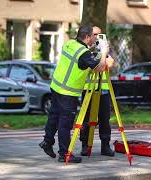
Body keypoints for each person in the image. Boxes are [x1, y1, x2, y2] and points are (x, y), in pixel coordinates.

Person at [39, 24, 111, 163]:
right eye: (93, 36)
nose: (94, 39)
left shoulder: (70, 44)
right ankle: (64, 154)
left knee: (54, 115)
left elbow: (82, 59)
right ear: (87, 37)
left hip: (56, 86)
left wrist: (92, 52)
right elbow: (100, 67)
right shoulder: (84, 53)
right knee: (65, 123)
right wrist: (103, 51)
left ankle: (47, 142)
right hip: (68, 92)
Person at [79, 26, 115, 157]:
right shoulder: (84, 51)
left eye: (100, 35)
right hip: (89, 90)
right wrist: (101, 58)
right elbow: (94, 68)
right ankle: (84, 145)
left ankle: (105, 145)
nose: (97, 38)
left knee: (105, 120)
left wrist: (103, 52)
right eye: (95, 35)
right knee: (86, 119)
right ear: (89, 35)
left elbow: (110, 63)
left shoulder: (103, 51)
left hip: (103, 91)